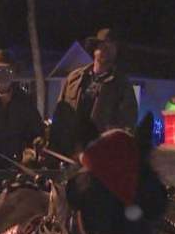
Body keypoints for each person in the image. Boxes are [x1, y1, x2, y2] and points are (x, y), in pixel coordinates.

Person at [49, 28, 138, 157]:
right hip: (68, 155)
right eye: (103, 46)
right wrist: (53, 150)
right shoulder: (74, 78)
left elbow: (127, 126)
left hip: (100, 158)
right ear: (95, 49)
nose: (106, 50)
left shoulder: (122, 85)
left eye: (111, 46)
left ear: (116, 51)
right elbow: (59, 115)